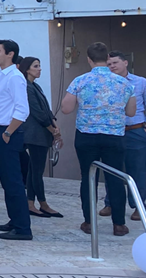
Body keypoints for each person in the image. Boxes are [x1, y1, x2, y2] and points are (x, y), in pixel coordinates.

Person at [62, 41, 136, 237]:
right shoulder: (124, 83)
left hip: (86, 135)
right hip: (114, 135)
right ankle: (119, 224)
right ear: (107, 59)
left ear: (89, 59)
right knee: (116, 178)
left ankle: (88, 221)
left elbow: (66, 109)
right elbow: (131, 111)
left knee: (88, 177)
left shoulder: (80, 81)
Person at [0, 39, 33, 241]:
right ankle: (15, 219)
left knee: (13, 181)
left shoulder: (15, 77)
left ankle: (23, 227)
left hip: (7, 133)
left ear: (10, 54)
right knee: (7, 180)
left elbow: (22, 109)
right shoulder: (3, 76)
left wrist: (8, 133)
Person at [20, 56, 63, 219]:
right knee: (36, 170)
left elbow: (46, 109)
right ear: (27, 69)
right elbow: (37, 113)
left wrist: (54, 124)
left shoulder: (35, 86)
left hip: (42, 131)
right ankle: (39, 203)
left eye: (40, 65)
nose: (39, 69)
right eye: (36, 66)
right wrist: (53, 130)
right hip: (35, 133)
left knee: (35, 169)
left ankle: (34, 201)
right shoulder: (27, 87)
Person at [106, 50, 146, 222]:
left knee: (137, 169)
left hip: (134, 130)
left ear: (125, 63)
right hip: (113, 131)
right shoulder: (106, 83)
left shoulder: (141, 82)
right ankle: (110, 203)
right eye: (109, 64)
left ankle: (138, 205)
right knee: (111, 169)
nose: (112, 66)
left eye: (115, 62)